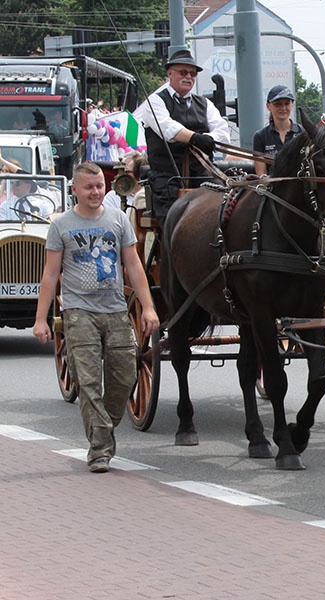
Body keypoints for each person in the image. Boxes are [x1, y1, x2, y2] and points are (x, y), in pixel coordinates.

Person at [32, 162, 159, 473]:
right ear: (74, 189)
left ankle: (104, 429)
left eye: (100, 185)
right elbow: (50, 274)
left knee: (125, 376)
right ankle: (100, 449)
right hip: (78, 314)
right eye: (88, 187)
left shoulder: (117, 221)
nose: (95, 191)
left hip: (115, 311)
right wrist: (40, 319)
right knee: (88, 383)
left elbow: (133, 265)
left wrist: (148, 307)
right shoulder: (61, 225)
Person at [138, 49, 229, 225]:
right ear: (169, 73)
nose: (188, 77)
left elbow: (223, 134)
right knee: (173, 223)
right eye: (183, 72)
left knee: (226, 210)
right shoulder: (154, 102)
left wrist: (206, 138)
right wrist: (196, 138)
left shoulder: (205, 104)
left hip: (202, 174)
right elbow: (168, 129)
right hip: (167, 177)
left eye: (192, 74)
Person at [252, 85, 303, 176]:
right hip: (271, 188)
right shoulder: (260, 136)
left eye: (287, 103)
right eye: (277, 104)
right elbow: (261, 175)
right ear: (268, 106)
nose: (283, 108)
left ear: (292, 105)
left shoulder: (302, 133)